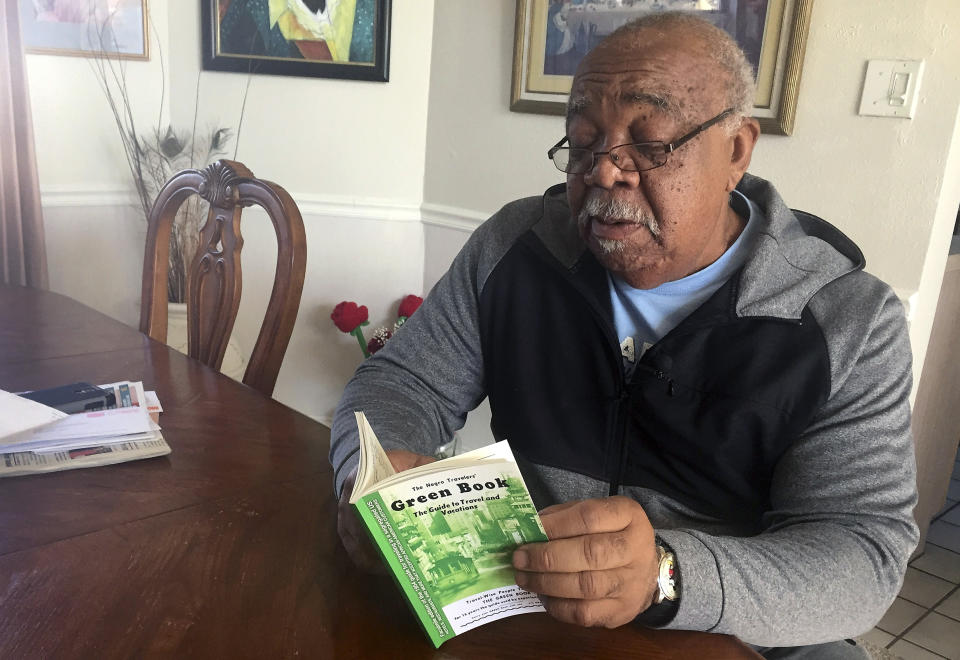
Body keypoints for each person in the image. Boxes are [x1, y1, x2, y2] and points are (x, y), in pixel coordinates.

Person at [330, 11, 917, 659]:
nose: (604, 173)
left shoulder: (846, 320)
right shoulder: (517, 249)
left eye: (651, 143)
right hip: (528, 592)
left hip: (736, 627)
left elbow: (860, 554)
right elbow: (402, 381)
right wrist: (373, 476)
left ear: (737, 150)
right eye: (583, 144)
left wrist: (666, 575)